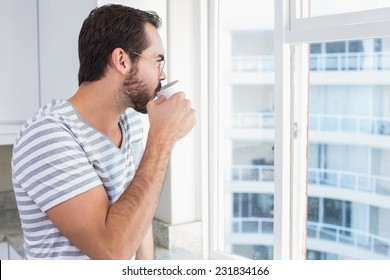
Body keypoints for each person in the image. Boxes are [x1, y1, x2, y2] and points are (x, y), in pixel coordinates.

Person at [11, 4, 196, 260]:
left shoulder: (129, 122)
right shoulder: (46, 136)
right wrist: (162, 140)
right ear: (121, 60)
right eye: (157, 61)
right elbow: (112, 252)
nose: (162, 75)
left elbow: (137, 214)